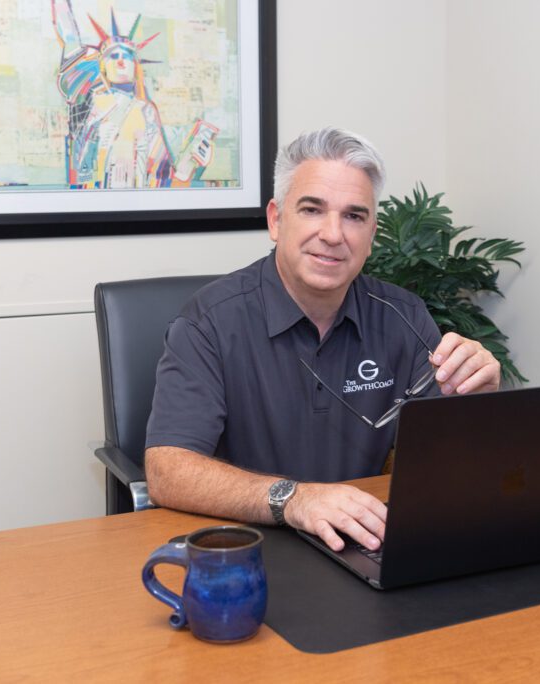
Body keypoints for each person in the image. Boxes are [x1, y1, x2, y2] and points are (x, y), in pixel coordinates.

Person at [144, 127, 502, 553]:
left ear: (371, 234)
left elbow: (446, 465)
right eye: (313, 209)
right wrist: (293, 500)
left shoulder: (404, 316)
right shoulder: (209, 322)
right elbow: (167, 471)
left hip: (364, 540)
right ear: (276, 220)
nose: (333, 234)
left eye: (354, 216)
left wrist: (477, 405)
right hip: (248, 548)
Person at [51, 2, 214, 188]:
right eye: (113, 56)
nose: (121, 60)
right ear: (102, 68)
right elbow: (69, 34)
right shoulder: (87, 99)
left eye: (127, 56)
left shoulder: (146, 110)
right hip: (88, 202)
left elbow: (161, 176)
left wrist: (193, 164)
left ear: (135, 66)